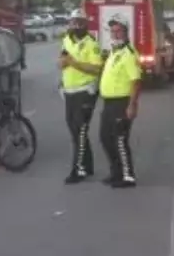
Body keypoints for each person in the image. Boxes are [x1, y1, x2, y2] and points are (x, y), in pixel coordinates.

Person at [59, 14, 104, 184]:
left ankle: (78, 170)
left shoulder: (92, 44)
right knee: (74, 131)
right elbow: (62, 60)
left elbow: (95, 69)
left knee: (80, 130)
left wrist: (73, 63)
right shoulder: (66, 40)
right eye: (73, 22)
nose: (76, 25)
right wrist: (62, 63)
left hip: (86, 91)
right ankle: (88, 165)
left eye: (79, 23)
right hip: (69, 91)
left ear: (85, 24)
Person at [98, 18, 142, 188]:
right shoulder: (114, 52)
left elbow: (136, 81)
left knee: (120, 140)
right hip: (109, 103)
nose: (115, 34)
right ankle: (116, 172)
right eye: (113, 31)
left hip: (121, 103)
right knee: (105, 138)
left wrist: (132, 104)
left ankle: (127, 176)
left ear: (125, 33)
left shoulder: (129, 54)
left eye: (119, 31)